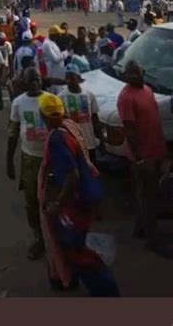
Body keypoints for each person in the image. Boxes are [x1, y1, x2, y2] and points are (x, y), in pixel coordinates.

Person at [37, 95, 120, 297]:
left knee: (76, 248)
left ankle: (106, 290)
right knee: (72, 244)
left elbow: (71, 175)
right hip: (83, 198)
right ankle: (71, 278)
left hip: (74, 203)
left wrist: (57, 203)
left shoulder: (56, 138)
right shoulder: (69, 126)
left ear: (42, 115)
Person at [117, 61, 172, 258]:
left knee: (147, 193)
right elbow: (130, 131)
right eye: (130, 74)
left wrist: (163, 149)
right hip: (142, 155)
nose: (133, 76)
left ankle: (141, 228)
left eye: (136, 73)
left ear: (143, 72)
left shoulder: (147, 90)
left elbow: (154, 120)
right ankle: (153, 239)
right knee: (148, 195)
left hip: (155, 149)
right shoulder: (126, 97)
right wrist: (139, 158)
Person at [7, 68, 49, 260]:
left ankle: (53, 236)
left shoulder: (51, 100)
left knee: (51, 198)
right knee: (31, 201)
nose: (34, 83)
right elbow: (13, 133)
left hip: (50, 158)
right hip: (29, 159)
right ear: (25, 83)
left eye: (37, 80)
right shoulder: (18, 103)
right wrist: (9, 161)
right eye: (30, 80)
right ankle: (38, 237)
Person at [60, 64, 101, 163]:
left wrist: (100, 135)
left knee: (92, 164)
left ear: (78, 78)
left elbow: (95, 116)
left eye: (72, 78)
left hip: (89, 140)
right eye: (67, 78)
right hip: (73, 140)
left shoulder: (89, 95)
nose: (69, 81)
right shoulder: (60, 97)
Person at [42, 26, 67, 92]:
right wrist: (66, 53)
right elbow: (56, 59)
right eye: (59, 34)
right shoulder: (47, 44)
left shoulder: (52, 42)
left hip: (58, 74)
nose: (60, 36)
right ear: (54, 35)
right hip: (53, 74)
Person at [0, 32, 13, 110]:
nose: (3, 42)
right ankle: (0, 102)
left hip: (6, 67)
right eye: (1, 41)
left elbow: (10, 57)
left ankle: (13, 101)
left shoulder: (8, 45)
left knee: (9, 85)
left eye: (4, 40)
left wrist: (11, 70)